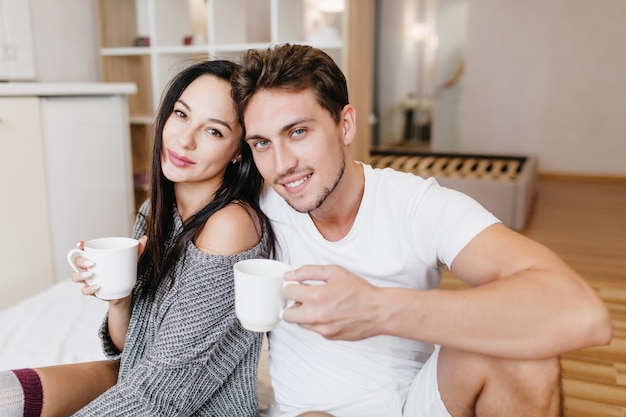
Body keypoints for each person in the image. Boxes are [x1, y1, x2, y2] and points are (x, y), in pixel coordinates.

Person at [231, 43, 613, 417]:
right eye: (262, 143)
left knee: (522, 350)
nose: (281, 164)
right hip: (309, 413)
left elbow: (583, 315)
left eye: (298, 132)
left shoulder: (413, 205)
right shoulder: (253, 214)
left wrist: (379, 309)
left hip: (416, 403)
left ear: (345, 125)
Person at [0, 59, 275, 416]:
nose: (184, 139)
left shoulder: (231, 225)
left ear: (239, 150)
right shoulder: (156, 211)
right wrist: (119, 298)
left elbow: (161, 396)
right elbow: (127, 345)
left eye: (213, 131)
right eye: (181, 114)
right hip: (135, 377)